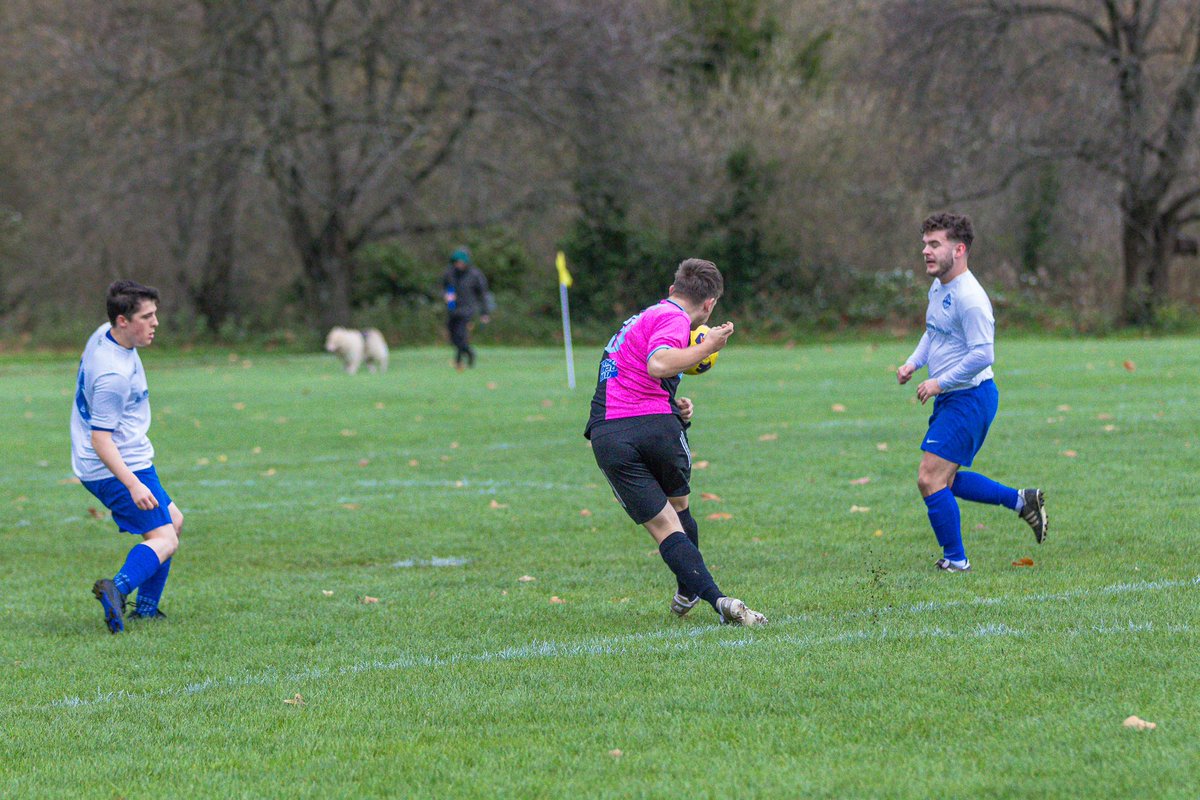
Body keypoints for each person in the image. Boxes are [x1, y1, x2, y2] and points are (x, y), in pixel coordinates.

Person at [584, 258, 767, 625]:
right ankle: (703, 594)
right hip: (654, 428)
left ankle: (706, 596)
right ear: (709, 304)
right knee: (679, 511)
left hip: (611, 433)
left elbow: (634, 374)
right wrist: (708, 344)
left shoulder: (644, 318)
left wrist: (672, 403)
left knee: (666, 526)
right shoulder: (674, 318)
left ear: (672, 289)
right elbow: (658, 364)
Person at [897, 213, 1047, 572]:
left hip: (970, 398)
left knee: (930, 478)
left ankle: (956, 560)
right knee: (945, 479)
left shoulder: (971, 298)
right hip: (954, 397)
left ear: (959, 249)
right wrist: (914, 363)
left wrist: (939, 382)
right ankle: (1021, 501)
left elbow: (983, 355)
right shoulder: (939, 288)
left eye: (935, 244)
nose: (926, 251)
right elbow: (934, 331)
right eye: (925, 244)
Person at [71, 280, 183, 632]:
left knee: (173, 521)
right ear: (122, 321)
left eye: (154, 314)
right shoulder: (113, 376)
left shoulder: (103, 334)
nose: (155, 323)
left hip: (126, 457)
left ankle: (146, 609)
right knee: (166, 538)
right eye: (146, 317)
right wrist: (133, 484)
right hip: (115, 465)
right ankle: (117, 589)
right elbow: (101, 440)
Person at [442, 247, 491, 370]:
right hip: (452, 309)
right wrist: (447, 297)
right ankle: (468, 353)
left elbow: (483, 294)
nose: (459, 264)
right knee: (453, 338)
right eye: (457, 262)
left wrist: (484, 313)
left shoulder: (475, 275)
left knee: (461, 335)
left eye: (461, 262)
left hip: (467, 310)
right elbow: (446, 289)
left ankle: (460, 359)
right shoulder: (449, 274)